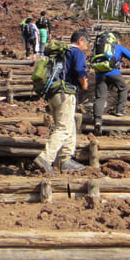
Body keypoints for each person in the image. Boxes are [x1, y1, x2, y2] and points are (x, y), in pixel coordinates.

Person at [34, 29, 91, 174]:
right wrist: (84, 84)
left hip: (53, 93)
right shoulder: (77, 52)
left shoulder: (61, 52)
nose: (87, 47)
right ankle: (45, 158)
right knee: (64, 128)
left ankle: (65, 160)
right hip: (65, 93)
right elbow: (80, 70)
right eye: (87, 44)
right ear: (81, 40)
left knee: (69, 125)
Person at [92, 35, 130, 134]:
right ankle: (120, 110)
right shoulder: (118, 47)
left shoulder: (99, 47)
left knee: (100, 97)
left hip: (99, 74)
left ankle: (97, 120)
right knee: (123, 88)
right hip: (114, 73)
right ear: (117, 40)